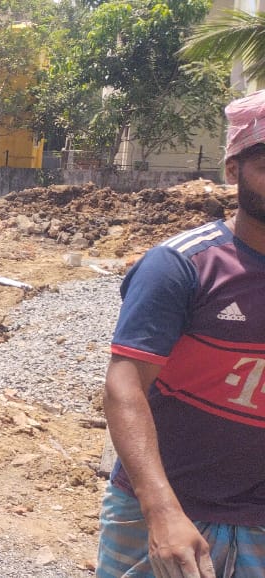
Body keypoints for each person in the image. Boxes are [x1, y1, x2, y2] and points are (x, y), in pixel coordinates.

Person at [97, 91, 265, 577]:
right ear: (233, 170)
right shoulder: (182, 266)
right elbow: (125, 385)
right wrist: (162, 511)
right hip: (171, 513)